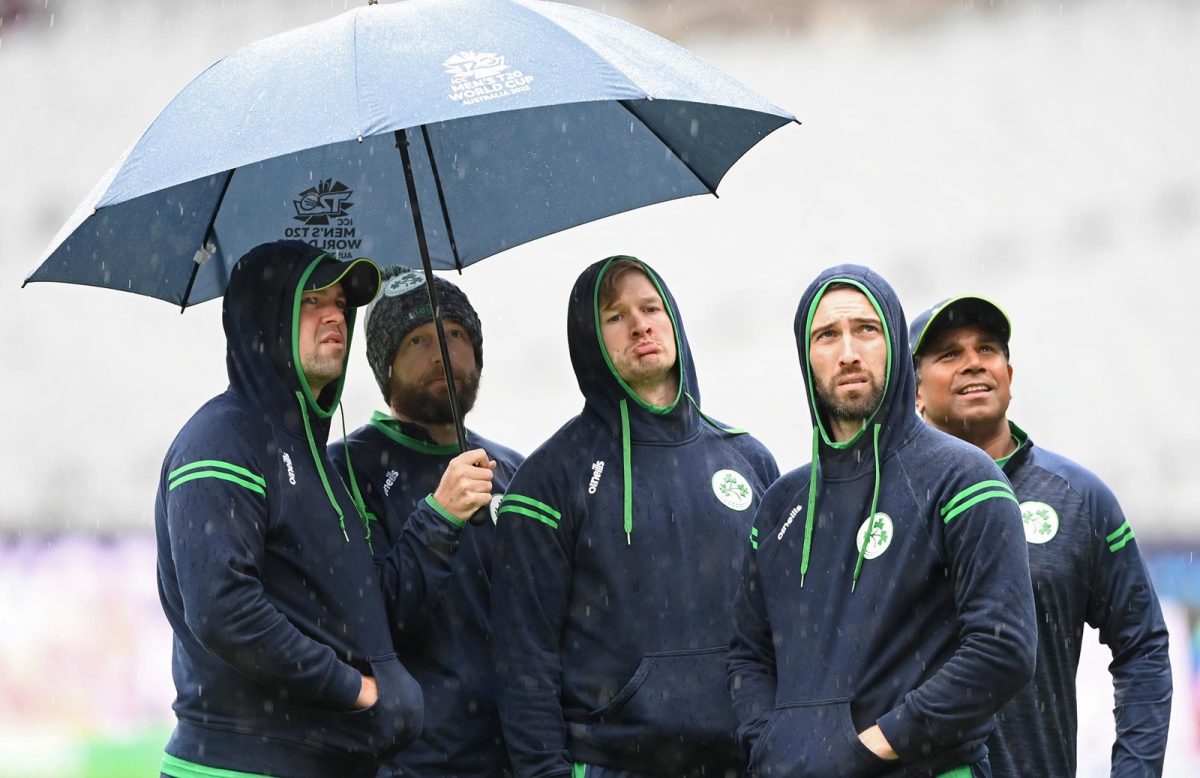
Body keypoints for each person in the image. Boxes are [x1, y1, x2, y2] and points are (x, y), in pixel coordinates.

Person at [156, 241, 467, 778]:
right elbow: (222, 611)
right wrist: (354, 689)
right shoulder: (221, 440)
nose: (335, 315)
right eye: (311, 301)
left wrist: (439, 519)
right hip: (245, 765)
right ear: (265, 320)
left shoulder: (317, 460)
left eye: (342, 302)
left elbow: (371, 612)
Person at [728, 265, 1037, 777]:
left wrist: (870, 748)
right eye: (827, 335)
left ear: (894, 343)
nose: (848, 352)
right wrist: (771, 745)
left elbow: (1002, 649)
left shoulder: (961, 476)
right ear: (806, 358)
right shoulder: (782, 504)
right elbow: (749, 656)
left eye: (866, 330)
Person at [491, 256, 779, 777]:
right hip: (612, 764)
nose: (641, 324)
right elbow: (523, 662)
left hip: (746, 762)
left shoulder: (750, 459)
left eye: (651, 307)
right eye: (615, 316)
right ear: (588, 338)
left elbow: (781, 630)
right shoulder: (549, 480)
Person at [909, 294, 1172, 777]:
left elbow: (1143, 647)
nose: (973, 364)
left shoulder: (1078, 498)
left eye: (987, 349)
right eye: (949, 353)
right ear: (916, 391)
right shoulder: (886, 504)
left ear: (1009, 376)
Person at [329, 267, 523, 777]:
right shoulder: (344, 470)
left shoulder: (517, 469)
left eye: (455, 334)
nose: (442, 352)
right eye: (417, 339)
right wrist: (439, 517)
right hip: (412, 763)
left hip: (518, 759)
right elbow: (368, 624)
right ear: (385, 367)